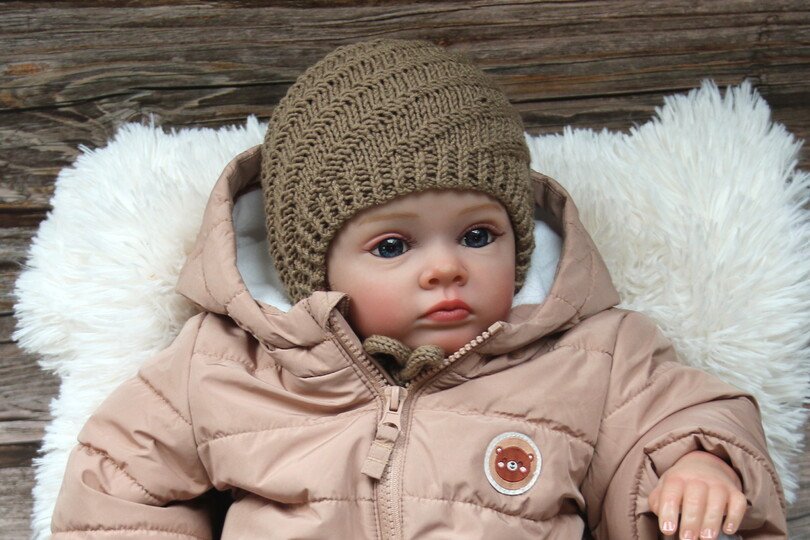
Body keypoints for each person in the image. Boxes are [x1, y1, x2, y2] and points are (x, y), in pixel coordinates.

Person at [50, 38, 787, 539]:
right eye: (394, 246)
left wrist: (696, 464)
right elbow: (120, 477)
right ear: (318, 267)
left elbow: (676, 414)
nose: (445, 269)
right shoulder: (226, 362)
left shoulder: (592, 355)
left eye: (477, 235)